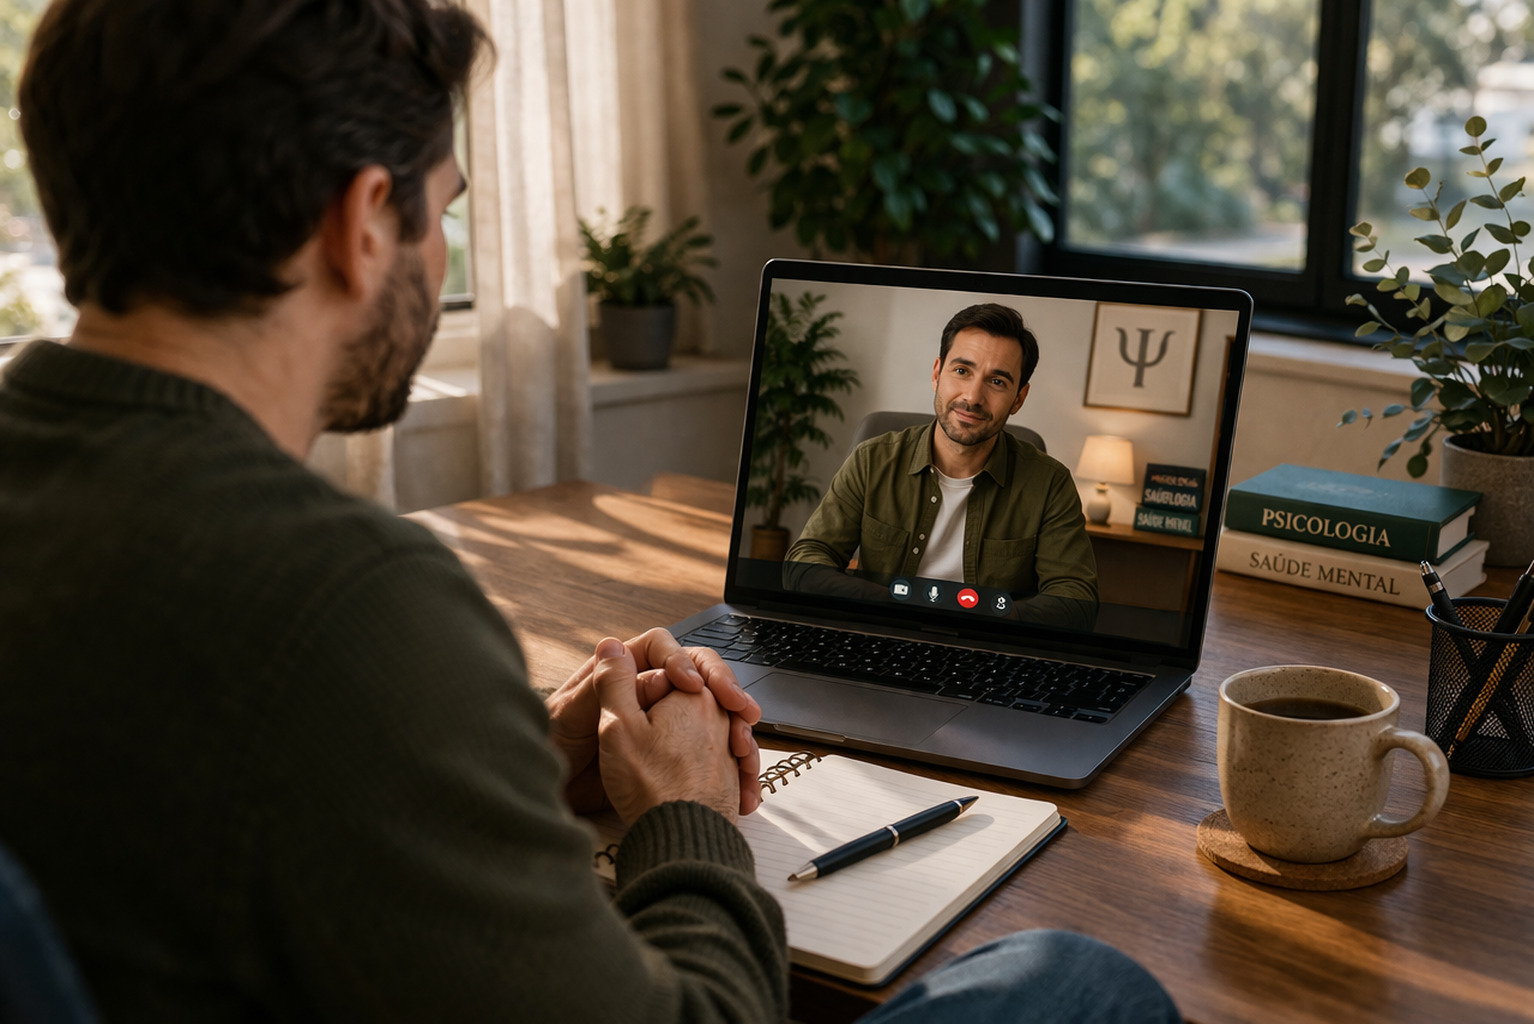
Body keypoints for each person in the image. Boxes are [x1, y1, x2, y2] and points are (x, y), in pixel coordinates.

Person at [0, 2, 1178, 1022]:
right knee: (1079, 975)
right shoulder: (353, 602)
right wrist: (687, 814)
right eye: (442, 211)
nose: (440, 249)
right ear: (362, 224)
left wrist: (503, 751)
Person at [784, 304, 1099, 631]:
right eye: (962, 371)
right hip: (882, 635)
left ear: (1019, 398)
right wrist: (889, 605)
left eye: (997, 381)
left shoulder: (1050, 484)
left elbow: (1077, 600)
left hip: (987, 646)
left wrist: (995, 617)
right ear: (937, 373)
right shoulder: (872, 460)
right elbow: (805, 561)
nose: (973, 397)